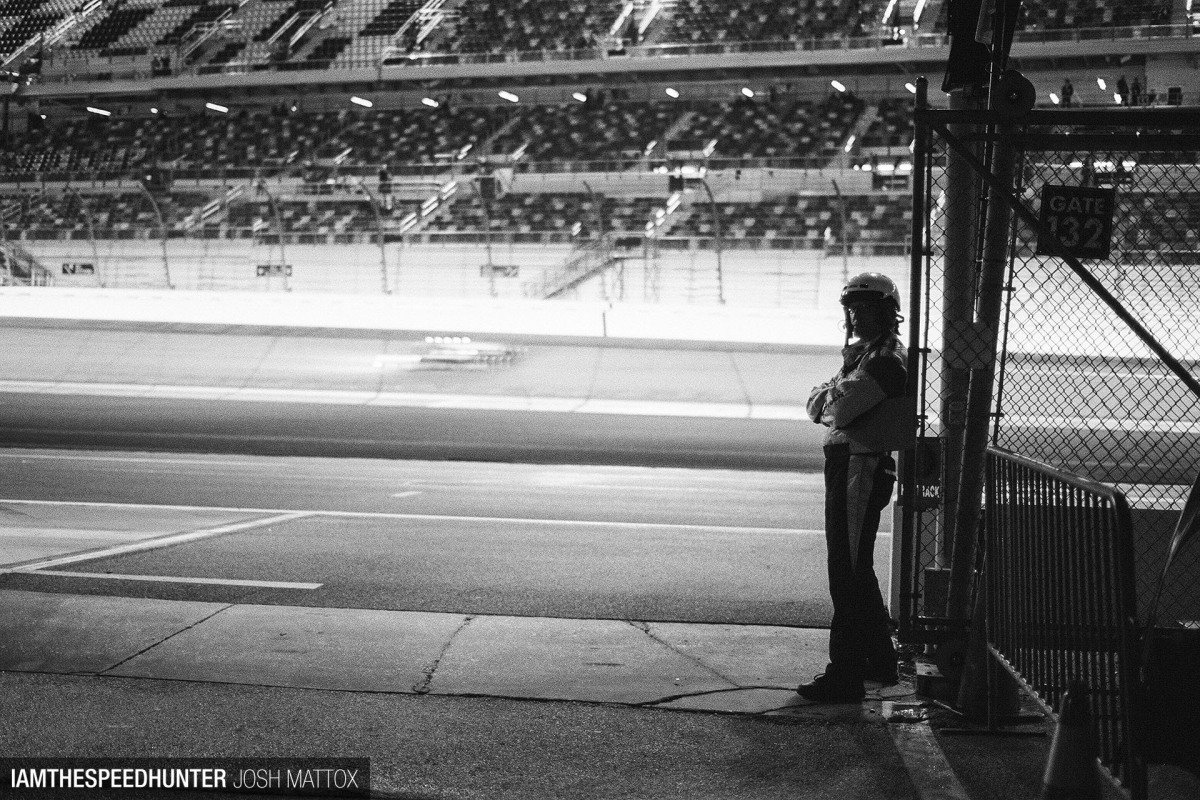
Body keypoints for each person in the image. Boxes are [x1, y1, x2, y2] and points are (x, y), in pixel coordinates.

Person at [799, 273, 909, 703]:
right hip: (852, 465)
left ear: (886, 310)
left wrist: (828, 398)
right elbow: (820, 401)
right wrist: (828, 398)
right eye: (851, 307)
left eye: (864, 307)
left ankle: (844, 672)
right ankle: (879, 659)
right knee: (855, 566)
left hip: (859, 467)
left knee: (846, 570)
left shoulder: (883, 359)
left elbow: (837, 409)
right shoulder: (866, 356)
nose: (854, 314)